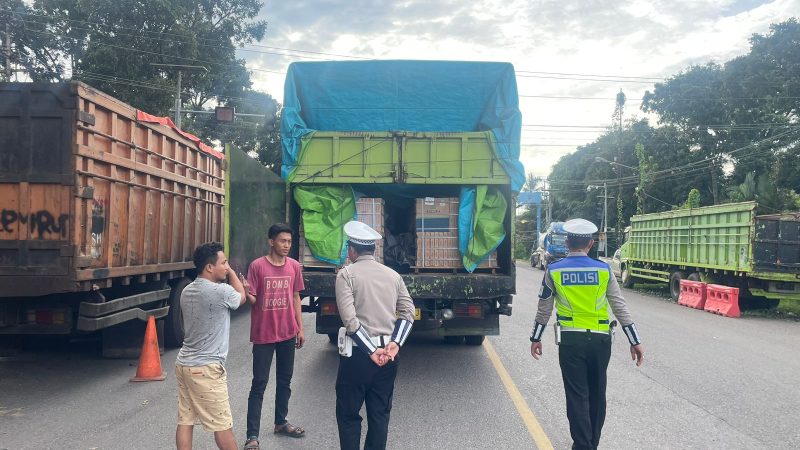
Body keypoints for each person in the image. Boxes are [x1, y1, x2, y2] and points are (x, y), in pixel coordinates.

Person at [529, 218, 645, 450]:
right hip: (601, 342)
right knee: (597, 393)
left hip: (571, 341)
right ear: (591, 244)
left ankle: (583, 446)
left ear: (568, 242)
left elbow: (544, 308)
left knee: (577, 395)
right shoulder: (603, 270)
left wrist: (536, 337)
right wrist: (635, 340)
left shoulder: (554, 270)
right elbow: (619, 305)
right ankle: (591, 444)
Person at [335, 220, 415, 450]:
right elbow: (408, 313)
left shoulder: (346, 275)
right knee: (379, 414)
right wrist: (395, 344)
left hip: (359, 356)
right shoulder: (393, 275)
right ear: (373, 249)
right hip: (388, 357)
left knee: (349, 414)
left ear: (351, 250)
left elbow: (350, 321)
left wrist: (371, 350)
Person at [175, 242, 248, 450]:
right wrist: (233, 273)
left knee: (185, 420)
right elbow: (241, 297)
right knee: (223, 426)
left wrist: (225, 268)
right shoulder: (221, 292)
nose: (227, 267)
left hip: (184, 365)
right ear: (209, 267)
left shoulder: (187, 290)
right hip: (206, 369)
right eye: (224, 263)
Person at [243, 223, 306, 450]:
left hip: (288, 333)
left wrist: (300, 328)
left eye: (289, 241)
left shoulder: (294, 266)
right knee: (259, 383)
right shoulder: (257, 267)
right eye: (282, 241)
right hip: (263, 335)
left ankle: (280, 422)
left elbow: (296, 296)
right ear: (271, 242)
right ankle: (252, 436)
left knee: (285, 380)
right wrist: (245, 290)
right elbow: (252, 298)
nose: (286, 245)